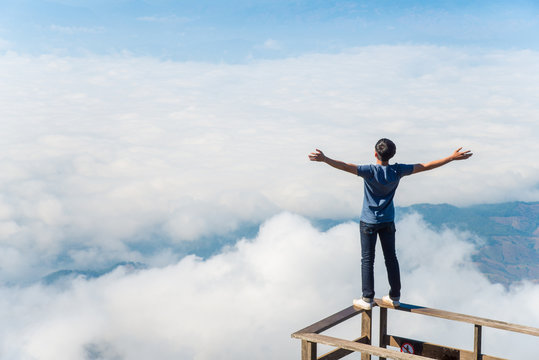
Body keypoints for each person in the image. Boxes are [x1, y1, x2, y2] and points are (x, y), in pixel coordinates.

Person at [308, 139, 472, 310]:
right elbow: (425, 165)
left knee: (367, 260)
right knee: (391, 258)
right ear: (393, 154)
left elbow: (344, 166)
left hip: (369, 221)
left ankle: (367, 298)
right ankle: (395, 296)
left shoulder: (369, 171)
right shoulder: (398, 170)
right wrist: (451, 158)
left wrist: (325, 159)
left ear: (375, 153)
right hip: (387, 221)